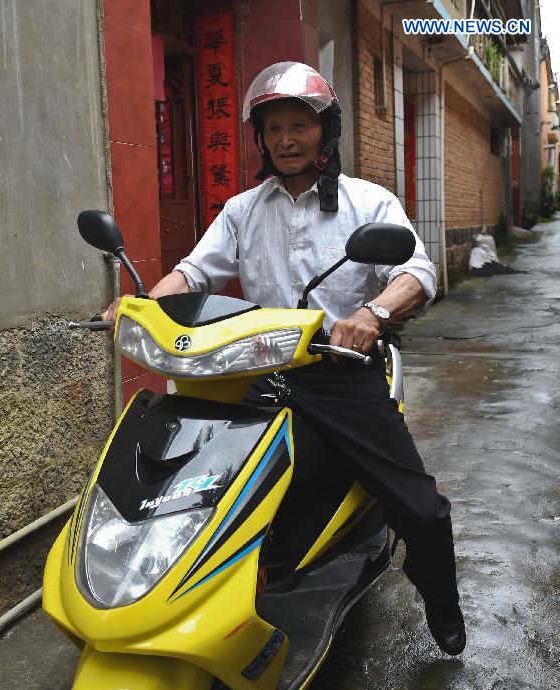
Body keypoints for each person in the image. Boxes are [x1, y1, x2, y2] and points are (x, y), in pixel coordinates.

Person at [103, 61, 465, 656]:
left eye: (300, 125)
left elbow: (416, 271)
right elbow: (194, 271)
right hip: (255, 372)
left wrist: (371, 314)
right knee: (195, 488)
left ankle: (441, 600)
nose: (287, 140)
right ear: (260, 138)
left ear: (326, 131)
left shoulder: (367, 201)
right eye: (274, 129)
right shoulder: (244, 210)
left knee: (421, 509)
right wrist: (138, 303)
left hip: (341, 375)